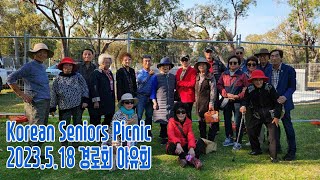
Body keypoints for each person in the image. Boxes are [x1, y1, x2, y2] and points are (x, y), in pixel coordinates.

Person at [7, 43, 53, 157]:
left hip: (45, 101)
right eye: (40, 52)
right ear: (34, 54)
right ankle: (32, 155)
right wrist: (22, 94)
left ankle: (37, 151)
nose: (43, 54)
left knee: (42, 128)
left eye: (45, 52)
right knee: (36, 128)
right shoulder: (29, 66)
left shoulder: (42, 66)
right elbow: (10, 79)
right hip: (36, 102)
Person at [240, 70, 282, 163]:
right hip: (257, 115)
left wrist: (276, 117)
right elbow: (245, 100)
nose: (258, 82)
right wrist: (243, 106)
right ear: (252, 81)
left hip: (270, 116)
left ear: (263, 80)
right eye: (256, 80)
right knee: (251, 130)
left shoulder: (269, 88)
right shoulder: (249, 89)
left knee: (272, 136)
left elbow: (278, 102)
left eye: (260, 80)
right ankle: (256, 149)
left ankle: (273, 156)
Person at [50, 57, 89, 147]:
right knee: (64, 125)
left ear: (73, 67)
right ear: (62, 67)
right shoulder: (57, 79)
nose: (68, 67)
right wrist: (52, 106)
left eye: (70, 65)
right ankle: (64, 143)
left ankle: (76, 142)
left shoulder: (78, 76)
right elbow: (53, 93)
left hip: (78, 105)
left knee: (77, 124)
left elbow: (85, 88)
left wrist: (85, 100)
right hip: (63, 106)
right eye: (66, 65)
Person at [268, 49, 297, 161]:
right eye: (272, 56)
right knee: (274, 127)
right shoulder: (268, 71)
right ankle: (276, 147)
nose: (273, 58)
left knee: (288, 127)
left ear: (281, 58)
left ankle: (292, 151)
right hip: (273, 104)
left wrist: (285, 97)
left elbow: (292, 87)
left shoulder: (289, 70)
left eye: (276, 56)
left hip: (284, 103)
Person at [217, 55, 249, 149]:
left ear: (239, 64)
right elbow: (219, 85)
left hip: (238, 102)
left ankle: (238, 141)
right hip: (227, 101)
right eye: (230, 63)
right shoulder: (224, 74)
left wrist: (237, 96)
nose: (232, 64)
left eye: (235, 63)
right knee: (227, 120)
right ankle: (229, 137)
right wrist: (226, 94)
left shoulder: (243, 75)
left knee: (238, 121)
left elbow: (246, 88)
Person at [103, 93, 138, 171]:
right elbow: (115, 130)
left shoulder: (134, 114)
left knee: (131, 143)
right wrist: (127, 124)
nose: (130, 104)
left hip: (128, 136)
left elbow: (135, 128)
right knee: (116, 146)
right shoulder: (118, 114)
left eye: (131, 102)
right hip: (116, 136)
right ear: (123, 103)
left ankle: (126, 161)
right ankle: (113, 161)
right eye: (127, 102)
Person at [166, 102, 204, 170]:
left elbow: (190, 135)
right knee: (172, 146)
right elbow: (170, 135)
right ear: (175, 113)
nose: (181, 114)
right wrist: (178, 143)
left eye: (183, 112)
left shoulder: (188, 121)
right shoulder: (171, 121)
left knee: (200, 141)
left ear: (186, 113)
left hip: (184, 145)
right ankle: (193, 160)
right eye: (178, 112)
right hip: (175, 145)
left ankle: (183, 159)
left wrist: (191, 147)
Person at [194, 57, 218, 142]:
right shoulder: (196, 77)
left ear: (207, 66)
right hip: (199, 104)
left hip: (208, 103)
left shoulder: (210, 76)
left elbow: (213, 90)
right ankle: (203, 139)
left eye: (203, 65)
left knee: (212, 123)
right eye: (200, 65)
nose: (201, 66)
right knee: (201, 123)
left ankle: (211, 140)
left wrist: (211, 102)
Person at [153, 57, 176, 145]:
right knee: (162, 120)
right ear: (160, 67)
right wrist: (154, 102)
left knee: (170, 119)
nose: (165, 67)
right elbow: (153, 90)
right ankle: (163, 137)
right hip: (160, 101)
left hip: (170, 101)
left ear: (169, 67)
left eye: (167, 66)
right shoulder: (156, 77)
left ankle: (169, 136)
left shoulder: (172, 77)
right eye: (163, 66)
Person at [244, 56, 265, 146]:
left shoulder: (260, 73)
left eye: (254, 64)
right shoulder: (244, 74)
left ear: (257, 65)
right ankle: (252, 140)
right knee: (249, 122)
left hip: (259, 102)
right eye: (249, 64)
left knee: (260, 123)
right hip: (248, 102)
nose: (251, 66)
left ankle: (260, 139)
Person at [90, 54, 115, 127]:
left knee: (109, 116)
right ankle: (95, 135)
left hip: (109, 99)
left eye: (109, 62)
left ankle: (104, 133)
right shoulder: (96, 73)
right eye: (105, 62)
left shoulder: (109, 73)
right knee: (96, 119)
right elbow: (94, 87)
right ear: (100, 63)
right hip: (100, 100)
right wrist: (96, 101)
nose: (107, 64)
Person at [136, 55, 157, 137]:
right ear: (142, 62)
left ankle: (148, 133)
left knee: (149, 115)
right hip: (141, 96)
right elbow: (141, 82)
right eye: (146, 61)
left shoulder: (154, 74)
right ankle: (137, 133)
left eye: (149, 61)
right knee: (139, 115)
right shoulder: (139, 72)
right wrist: (149, 75)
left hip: (150, 97)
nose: (147, 63)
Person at [77, 48, 97, 124]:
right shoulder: (77, 67)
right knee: (78, 118)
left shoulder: (95, 68)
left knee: (94, 117)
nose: (87, 56)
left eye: (89, 54)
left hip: (92, 95)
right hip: (80, 95)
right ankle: (80, 134)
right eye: (85, 54)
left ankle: (93, 134)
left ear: (92, 56)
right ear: (82, 56)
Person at [175, 55, 196, 119]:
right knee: (180, 114)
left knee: (187, 114)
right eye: (182, 60)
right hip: (180, 96)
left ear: (189, 61)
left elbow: (192, 83)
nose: (184, 62)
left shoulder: (193, 70)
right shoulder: (179, 70)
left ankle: (188, 128)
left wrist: (180, 83)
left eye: (186, 60)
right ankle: (181, 128)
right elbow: (176, 82)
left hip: (188, 96)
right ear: (180, 62)